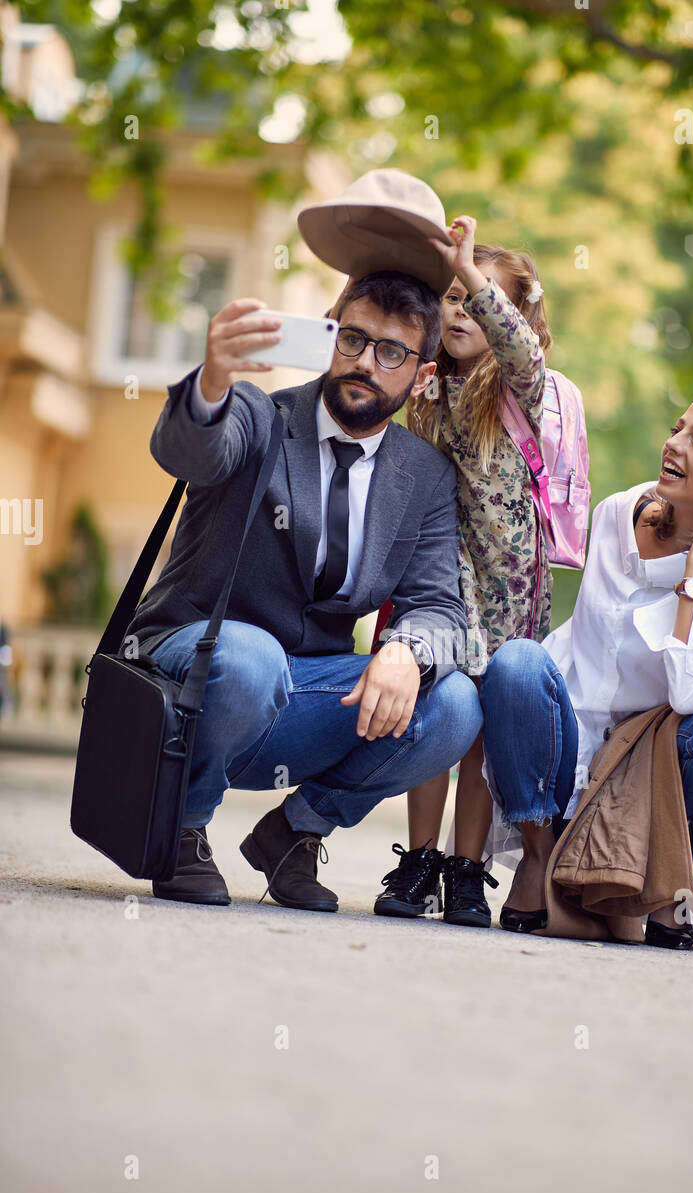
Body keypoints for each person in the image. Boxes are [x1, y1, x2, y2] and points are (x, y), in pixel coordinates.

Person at [122, 271, 481, 910]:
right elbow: (187, 452)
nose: (365, 363)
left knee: (454, 704)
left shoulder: (424, 477)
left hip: (302, 699)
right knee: (253, 659)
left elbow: (440, 606)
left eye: (391, 352)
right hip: (194, 674)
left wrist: (407, 651)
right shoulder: (262, 415)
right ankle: (180, 826)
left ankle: (292, 834)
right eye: (352, 339)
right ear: (328, 338)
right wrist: (211, 381)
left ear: (422, 376)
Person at [479, 382, 693, 947]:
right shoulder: (616, 514)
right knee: (516, 664)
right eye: (678, 429)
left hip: (655, 773)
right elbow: (593, 661)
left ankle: (675, 881)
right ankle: (538, 857)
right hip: (569, 742)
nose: (674, 445)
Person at [372, 215, 555, 929]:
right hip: (441, 589)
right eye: (448, 295)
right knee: (439, 720)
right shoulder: (427, 388)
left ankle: (466, 870)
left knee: (482, 736)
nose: (458, 308)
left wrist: (470, 272)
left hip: (509, 598)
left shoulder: (522, 389)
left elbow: (516, 345)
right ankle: (419, 859)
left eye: (474, 296)